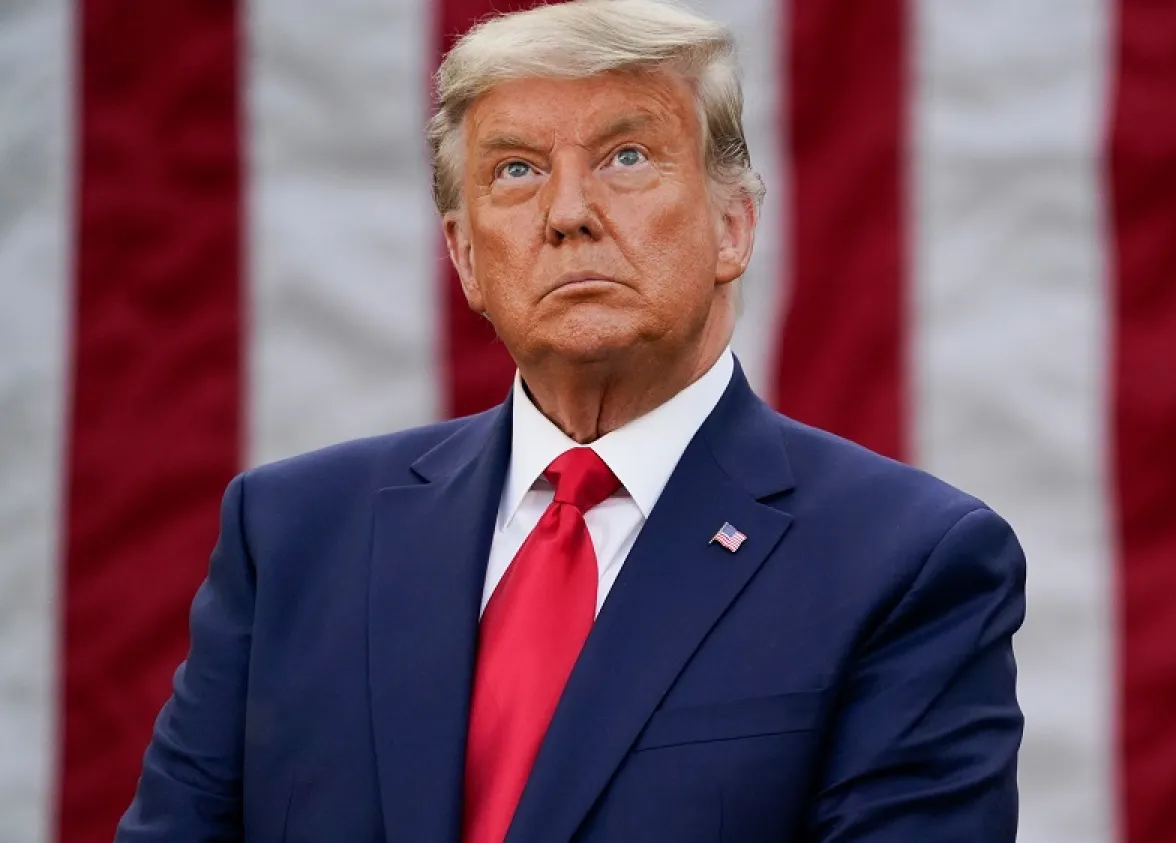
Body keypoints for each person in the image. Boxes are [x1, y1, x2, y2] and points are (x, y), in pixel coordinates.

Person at [115, 1, 1025, 840]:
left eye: (626, 158)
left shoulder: (909, 563)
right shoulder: (291, 534)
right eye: (516, 170)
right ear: (467, 257)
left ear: (733, 227)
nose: (569, 213)